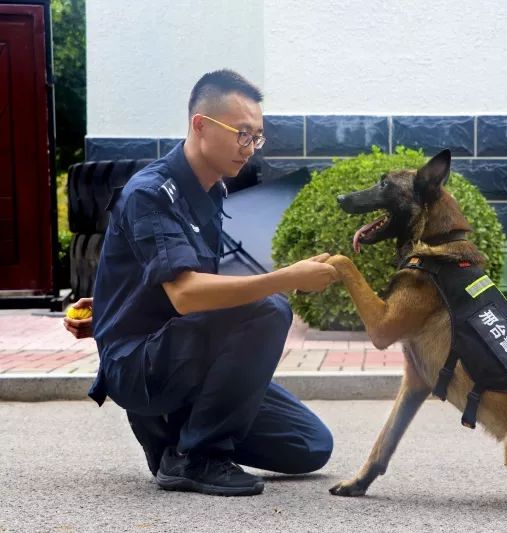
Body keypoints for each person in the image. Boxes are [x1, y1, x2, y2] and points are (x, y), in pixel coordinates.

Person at [63, 69, 338, 497]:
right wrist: (286, 278)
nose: (250, 148)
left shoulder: (212, 192)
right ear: (201, 125)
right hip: (140, 366)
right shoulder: (151, 193)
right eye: (242, 134)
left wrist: (106, 303)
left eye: (257, 137)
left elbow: (157, 275)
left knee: (310, 446)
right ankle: (196, 457)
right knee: (269, 308)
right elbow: (188, 293)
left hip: (177, 349)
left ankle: (175, 438)